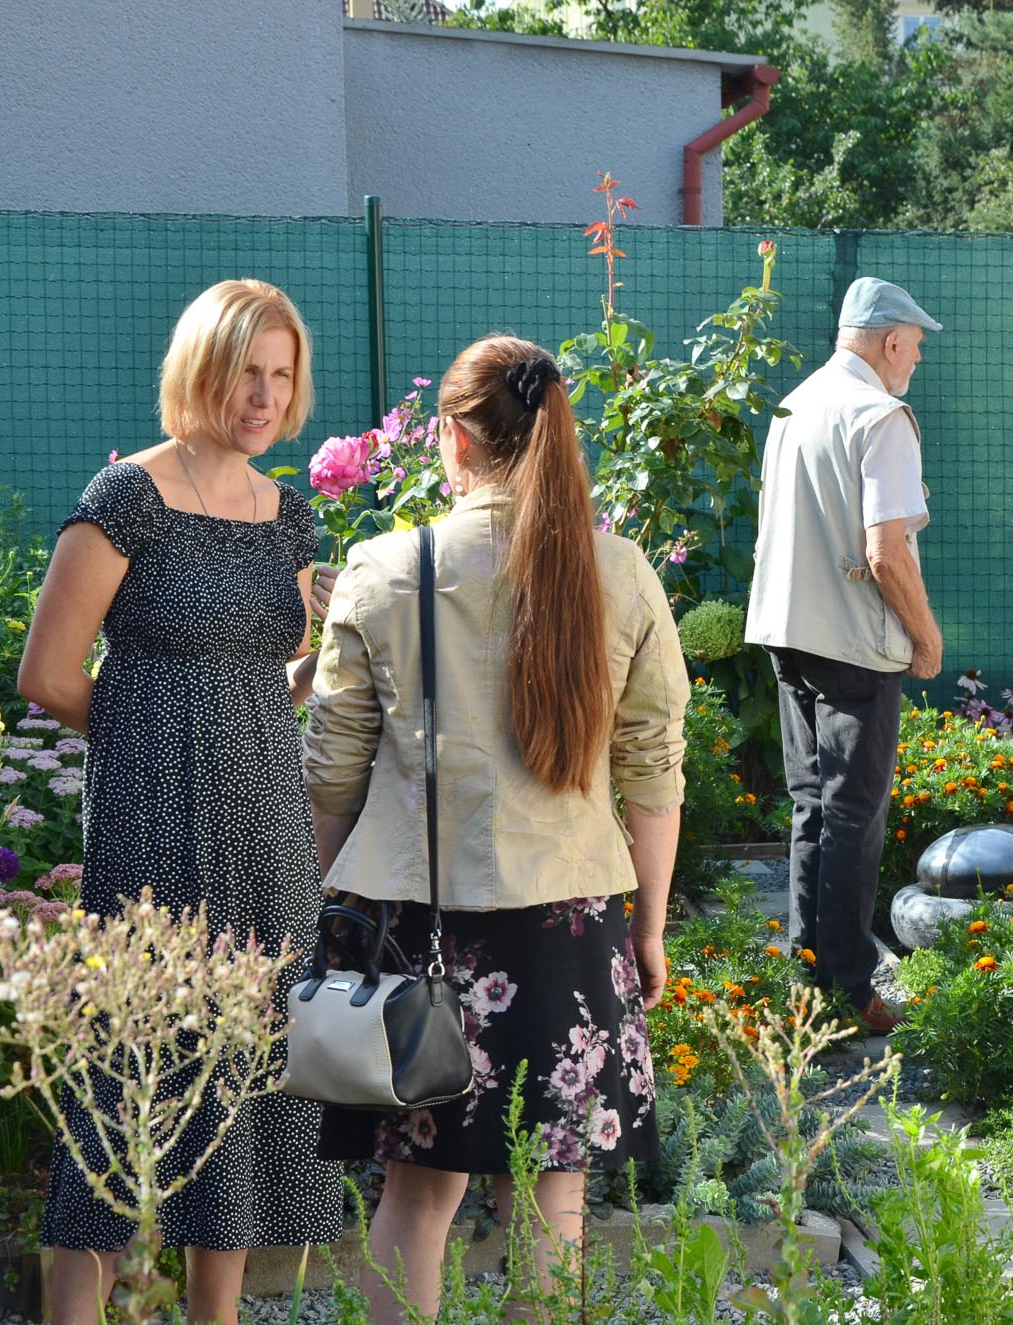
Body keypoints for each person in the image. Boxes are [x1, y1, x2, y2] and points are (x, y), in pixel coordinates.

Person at [304, 336, 684, 1323]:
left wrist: (321, 907)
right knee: (553, 1192)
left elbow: (333, 769)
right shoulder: (621, 572)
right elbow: (652, 764)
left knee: (418, 1191)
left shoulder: (384, 569)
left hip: (411, 918)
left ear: (454, 441)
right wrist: (644, 926)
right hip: (572, 914)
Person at [17, 279, 343, 1325]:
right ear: (201, 367)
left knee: (247, 1081)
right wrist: (151, 740)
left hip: (268, 831)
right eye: (247, 369)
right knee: (123, 1086)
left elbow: (268, 681)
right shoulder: (126, 496)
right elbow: (49, 672)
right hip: (153, 832)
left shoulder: (288, 514)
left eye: (280, 374)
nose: (263, 393)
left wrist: (323, 658)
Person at [744, 276, 944, 1035]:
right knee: (855, 812)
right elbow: (886, 550)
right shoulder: (879, 415)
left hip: (785, 630)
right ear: (890, 340)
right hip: (854, 641)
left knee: (812, 805)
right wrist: (924, 635)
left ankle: (808, 971)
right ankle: (851, 986)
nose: (917, 360)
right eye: (916, 346)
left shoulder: (795, 404)